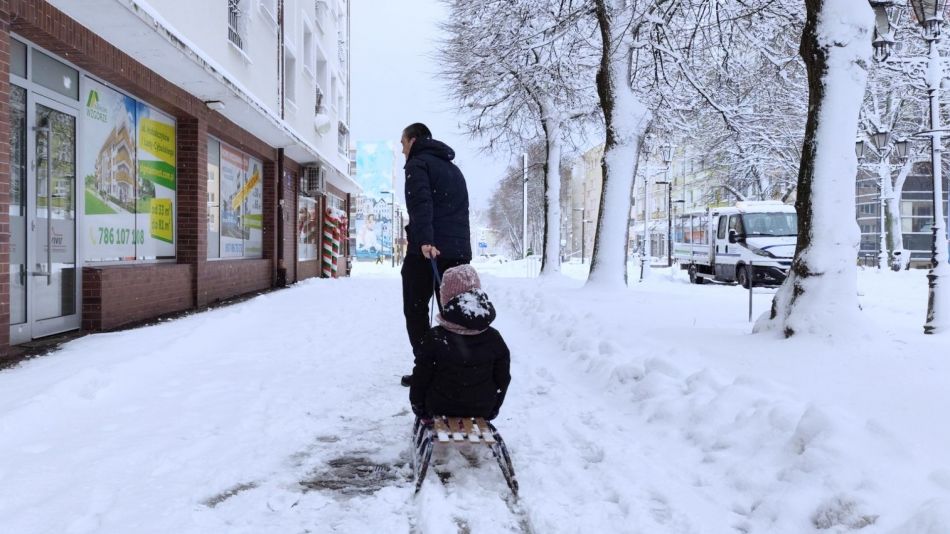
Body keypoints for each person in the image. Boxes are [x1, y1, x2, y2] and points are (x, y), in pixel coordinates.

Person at [400, 123, 472, 386]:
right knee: (455, 313)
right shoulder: (453, 169)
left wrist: (425, 241)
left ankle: (428, 369)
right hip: (457, 253)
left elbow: (421, 203)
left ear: (414, 140)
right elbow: (460, 212)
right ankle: (462, 369)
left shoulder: (418, 164)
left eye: (403, 143)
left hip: (428, 251)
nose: (402, 150)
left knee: (416, 309)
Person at [409, 265, 510, 420]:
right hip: (482, 408)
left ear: (446, 299)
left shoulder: (436, 337)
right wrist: (494, 408)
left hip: (439, 407)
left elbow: (421, 377)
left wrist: (419, 407)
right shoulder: (494, 338)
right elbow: (502, 379)